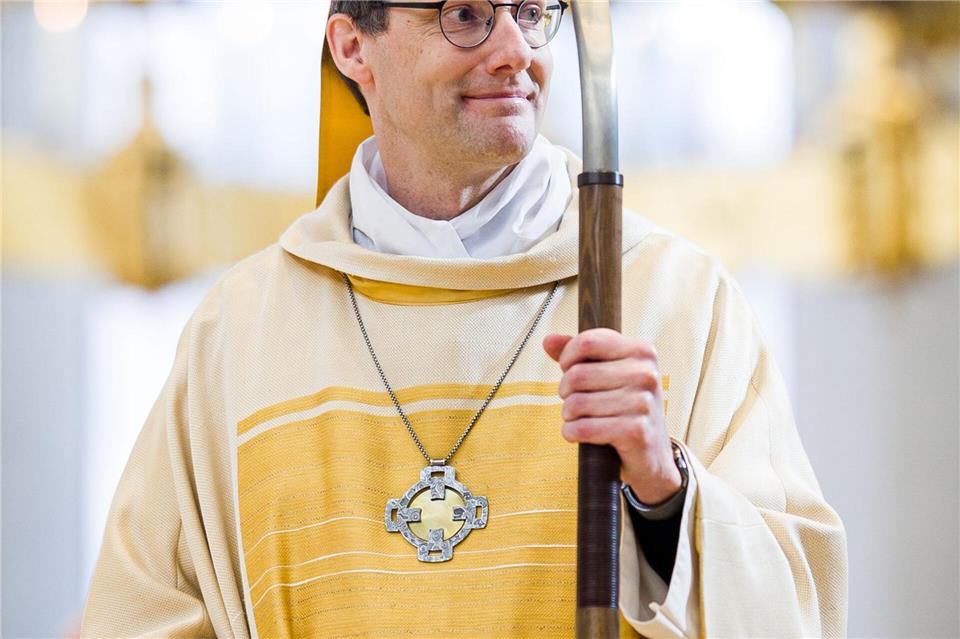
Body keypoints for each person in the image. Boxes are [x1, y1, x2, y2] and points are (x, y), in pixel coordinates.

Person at [81, 1, 848, 637]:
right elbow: (142, 608)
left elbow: (797, 607)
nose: (516, 50)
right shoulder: (242, 332)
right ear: (353, 47)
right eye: (466, 15)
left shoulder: (674, 300)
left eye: (531, 11)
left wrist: (663, 491)